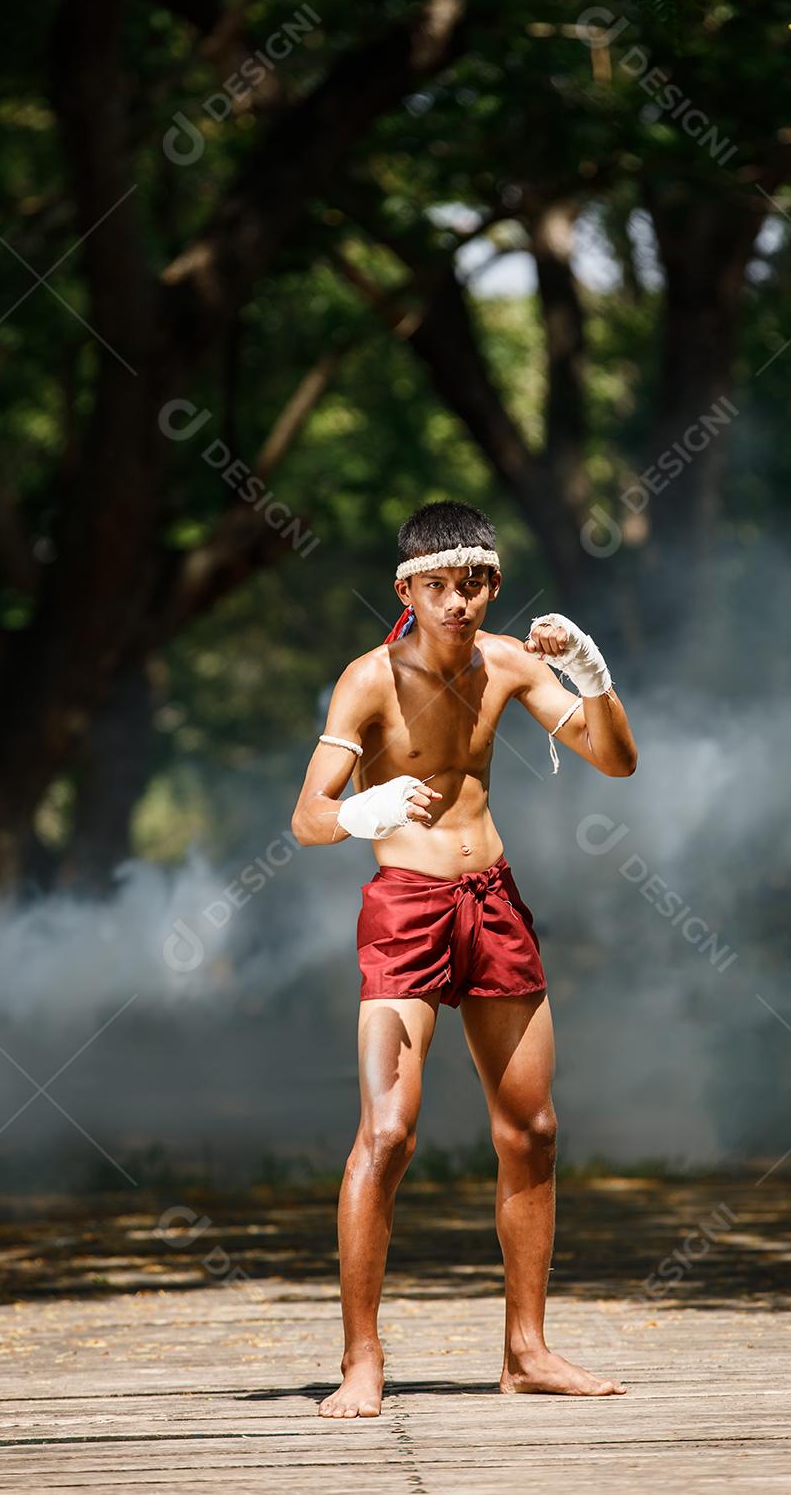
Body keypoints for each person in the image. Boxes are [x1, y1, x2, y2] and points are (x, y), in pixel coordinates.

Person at [291, 500, 638, 1419]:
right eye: (438, 586)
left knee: (533, 1132)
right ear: (406, 588)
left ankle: (526, 1351)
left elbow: (617, 762)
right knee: (390, 1131)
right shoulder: (367, 681)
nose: (458, 601)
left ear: (491, 583)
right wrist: (359, 814)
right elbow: (307, 817)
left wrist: (594, 676)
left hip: (492, 902)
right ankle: (360, 1360)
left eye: (474, 583)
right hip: (405, 910)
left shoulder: (512, 665)